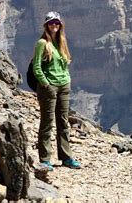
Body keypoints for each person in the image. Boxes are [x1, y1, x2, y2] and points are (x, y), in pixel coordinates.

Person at [32, 11, 81, 171]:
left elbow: (64, 63)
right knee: (47, 123)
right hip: (49, 87)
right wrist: (45, 83)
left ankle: (66, 157)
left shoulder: (61, 42)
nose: (54, 25)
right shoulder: (42, 43)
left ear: (60, 25)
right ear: (46, 25)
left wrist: (67, 79)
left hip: (64, 86)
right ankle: (45, 159)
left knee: (63, 122)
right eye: (51, 23)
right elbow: (36, 67)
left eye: (57, 23)